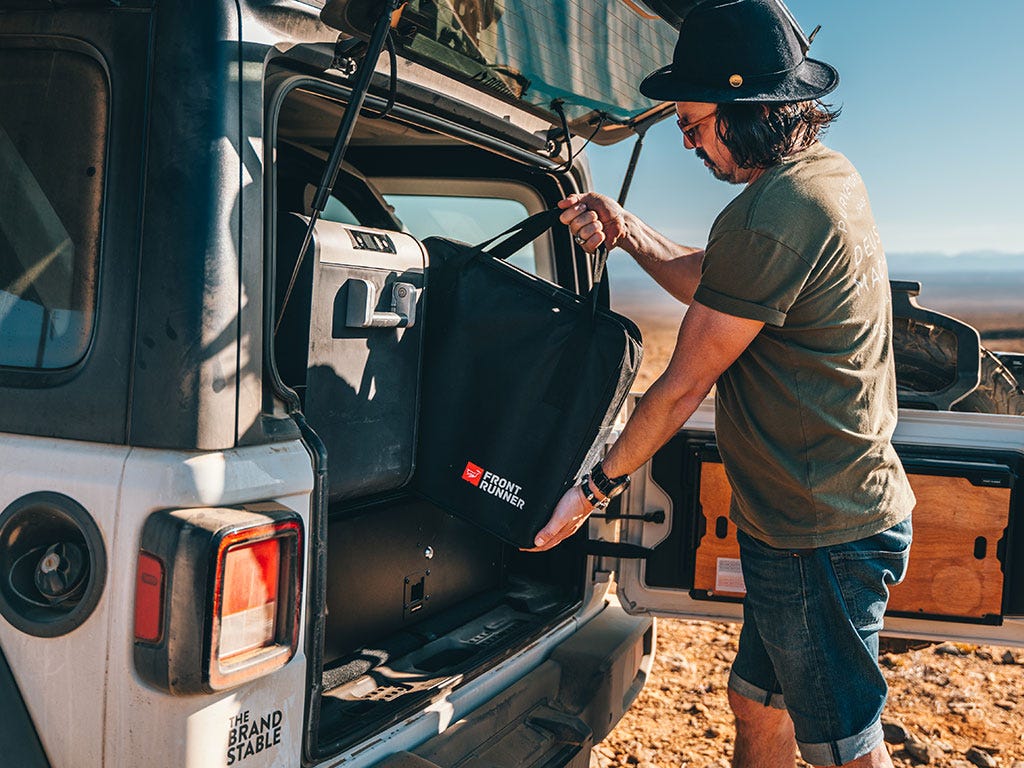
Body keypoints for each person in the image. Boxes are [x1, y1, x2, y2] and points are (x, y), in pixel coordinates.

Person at [527, 1, 916, 766]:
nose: (688, 139)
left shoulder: (773, 213)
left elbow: (678, 389)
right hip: (815, 523)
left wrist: (592, 490)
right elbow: (715, 282)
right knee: (756, 703)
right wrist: (627, 227)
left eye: (693, 122)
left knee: (845, 746)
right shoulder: (824, 180)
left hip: (819, 536)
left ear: (747, 111)